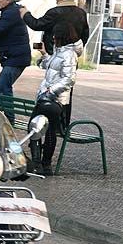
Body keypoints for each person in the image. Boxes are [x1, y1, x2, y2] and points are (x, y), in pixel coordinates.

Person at [29, 29, 82, 174]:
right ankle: (41, 164)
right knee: (39, 127)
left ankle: (41, 164)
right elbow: (51, 68)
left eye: (55, 35)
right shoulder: (59, 51)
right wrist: (44, 54)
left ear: (62, 37)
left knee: (41, 127)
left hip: (56, 100)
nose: (52, 37)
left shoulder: (69, 54)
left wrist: (51, 91)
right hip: (45, 97)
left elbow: (69, 79)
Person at [20, 0, 89, 55]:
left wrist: (25, 14)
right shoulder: (81, 13)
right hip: (73, 55)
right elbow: (85, 35)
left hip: (55, 55)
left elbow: (37, 25)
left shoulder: (55, 12)